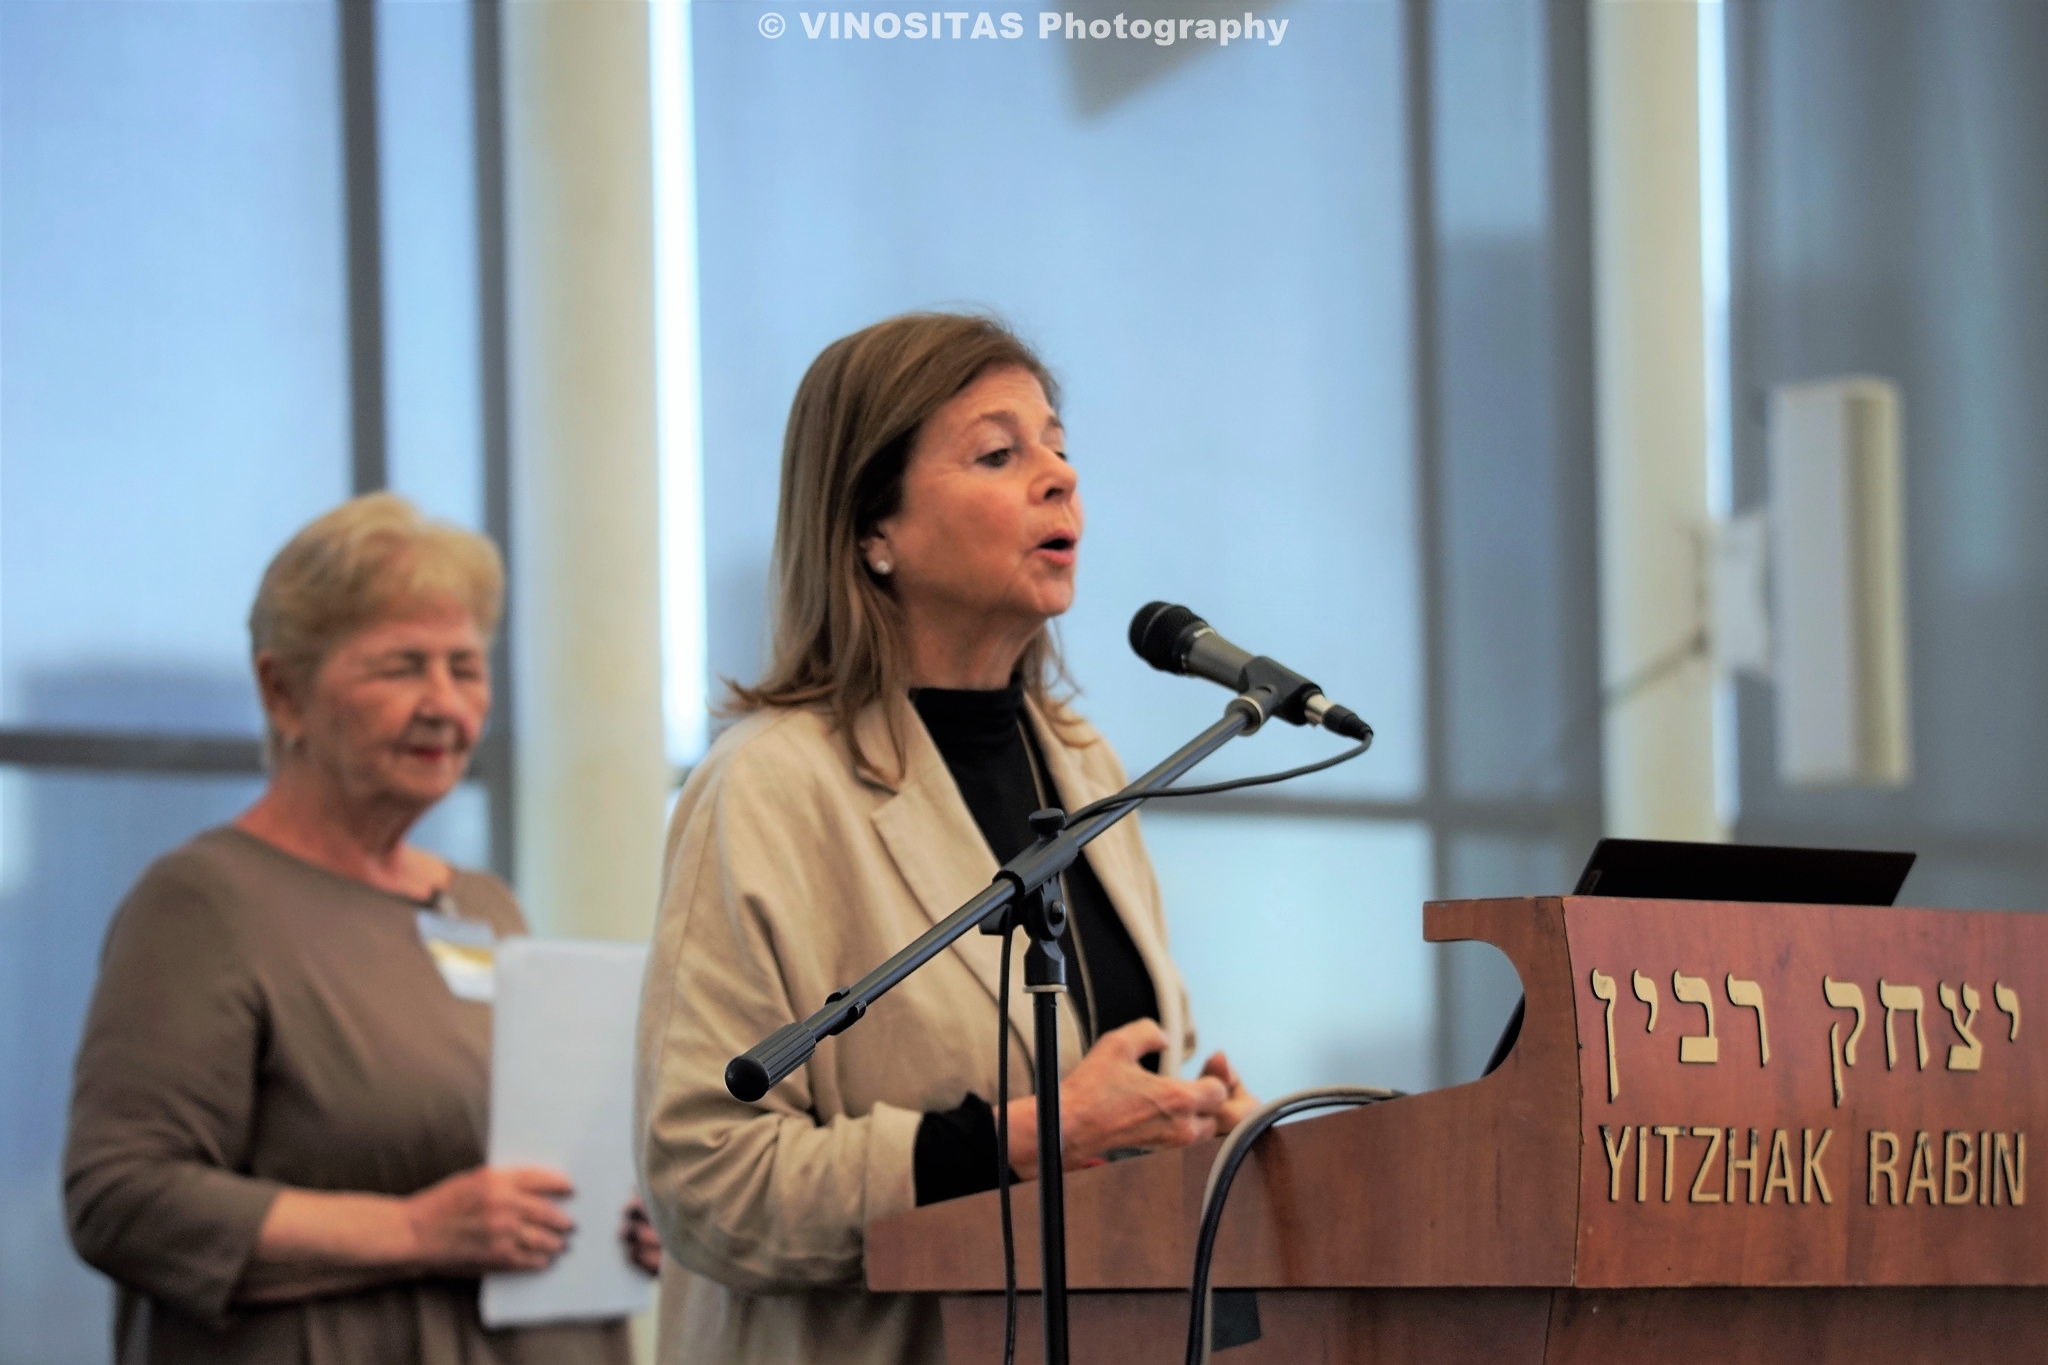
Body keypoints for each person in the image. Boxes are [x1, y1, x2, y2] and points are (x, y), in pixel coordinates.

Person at [635, 312, 1260, 1364]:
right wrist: (1025, 1139)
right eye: (998, 453)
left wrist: (1188, 1118)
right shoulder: (769, 787)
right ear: (871, 529)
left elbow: (1106, 1084)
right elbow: (708, 1178)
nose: (1060, 477)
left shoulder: (1082, 761)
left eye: (1057, 445)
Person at [64, 494, 660, 1365]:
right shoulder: (202, 902)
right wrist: (414, 1230)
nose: (444, 704)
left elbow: (518, 1161)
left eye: (466, 667)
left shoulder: (485, 906)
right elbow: (119, 1196)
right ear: (283, 691)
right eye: (402, 667)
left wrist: (623, 1214)